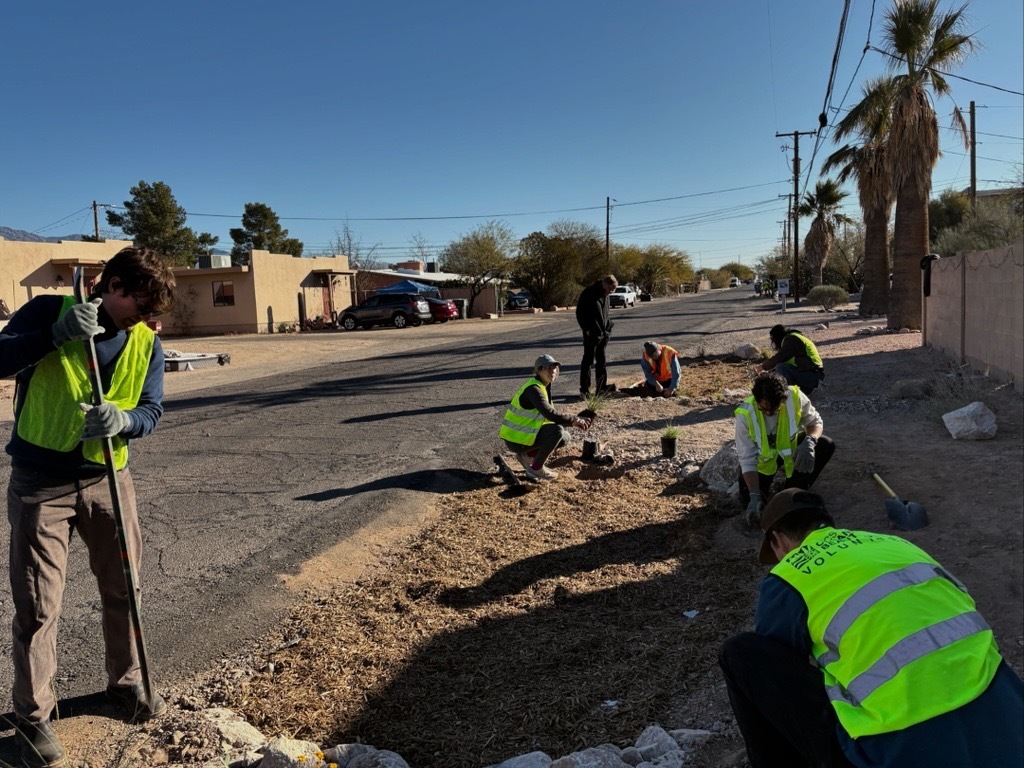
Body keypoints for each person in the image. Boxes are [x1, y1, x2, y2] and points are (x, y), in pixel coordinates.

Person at [0, 247, 175, 767]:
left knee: (125, 588)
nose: (145, 317)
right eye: (138, 303)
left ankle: (126, 686)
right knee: (38, 606)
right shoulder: (48, 315)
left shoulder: (146, 340)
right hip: (41, 483)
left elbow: (151, 410)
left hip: (108, 480)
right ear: (112, 284)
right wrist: (53, 337)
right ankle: (32, 723)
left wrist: (124, 421)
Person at [719, 488, 1024, 768]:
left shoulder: (788, 576)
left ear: (778, 540)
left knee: (740, 654)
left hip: (901, 751)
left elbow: (780, 673)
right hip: (1007, 721)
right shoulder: (896, 544)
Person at [735, 372, 834, 528]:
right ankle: (760, 495)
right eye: (763, 408)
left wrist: (809, 441)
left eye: (774, 409)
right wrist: (754, 495)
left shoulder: (794, 397)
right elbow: (746, 459)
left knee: (825, 444)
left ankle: (793, 488)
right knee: (749, 502)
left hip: (790, 452)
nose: (768, 413)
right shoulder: (745, 415)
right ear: (756, 399)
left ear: (783, 399)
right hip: (763, 463)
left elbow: (815, 423)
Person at [499, 354, 591, 481]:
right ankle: (536, 469)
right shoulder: (533, 389)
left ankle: (527, 455)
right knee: (557, 431)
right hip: (516, 439)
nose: (552, 371)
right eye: (547, 368)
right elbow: (550, 414)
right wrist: (574, 420)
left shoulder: (543, 386)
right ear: (538, 370)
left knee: (564, 437)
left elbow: (549, 417)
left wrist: (572, 422)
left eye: (554, 368)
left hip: (523, 437)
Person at [575, 274, 617, 396]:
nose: (612, 292)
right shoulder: (589, 293)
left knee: (601, 360)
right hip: (591, 333)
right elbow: (580, 312)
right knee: (588, 360)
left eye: (614, 289)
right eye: (611, 289)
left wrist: (608, 327)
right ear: (604, 285)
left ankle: (601, 388)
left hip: (604, 332)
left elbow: (605, 313)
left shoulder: (606, 294)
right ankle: (584, 389)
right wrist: (586, 329)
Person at [755, 324, 825, 396]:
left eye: (773, 339)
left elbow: (779, 358)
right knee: (779, 368)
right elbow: (785, 364)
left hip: (813, 377)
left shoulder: (792, 339)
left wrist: (762, 367)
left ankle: (791, 395)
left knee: (781, 367)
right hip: (811, 375)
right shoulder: (794, 338)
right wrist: (768, 374)